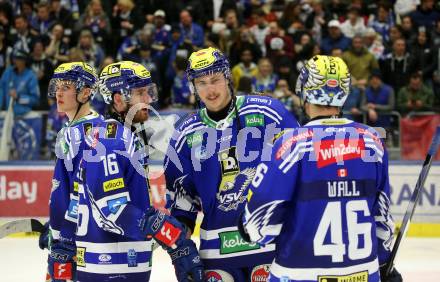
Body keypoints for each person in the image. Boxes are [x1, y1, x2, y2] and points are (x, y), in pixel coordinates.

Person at [238, 55, 403, 282]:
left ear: (304, 91)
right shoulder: (372, 141)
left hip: (298, 275)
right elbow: (381, 217)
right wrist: (384, 262)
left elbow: (257, 227)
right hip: (363, 273)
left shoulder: (291, 144)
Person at [164, 47, 299, 281]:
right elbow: (183, 199)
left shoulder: (267, 112)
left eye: (215, 80)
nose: (210, 89)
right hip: (217, 251)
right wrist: (179, 248)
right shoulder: (186, 132)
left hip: (269, 245)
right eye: (201, 83)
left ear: (227, 77)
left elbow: (299, 168)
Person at [74, 61, 203, 281]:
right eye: (141, 93)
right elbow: (111, 209)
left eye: (149, 91)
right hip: (110, 267)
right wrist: (174, 240)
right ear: (118, 99)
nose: (149, 99)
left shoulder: (125, 136)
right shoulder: (111, 139)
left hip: (118, 264)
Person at [42, 62, 103, 281]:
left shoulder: (73, 134)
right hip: (91, 239)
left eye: (66, 87)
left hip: (73, 242)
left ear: (85, 92)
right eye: (57, 86)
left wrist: (60, 236)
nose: (58, 92)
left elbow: (73, 193)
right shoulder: (100, 125)